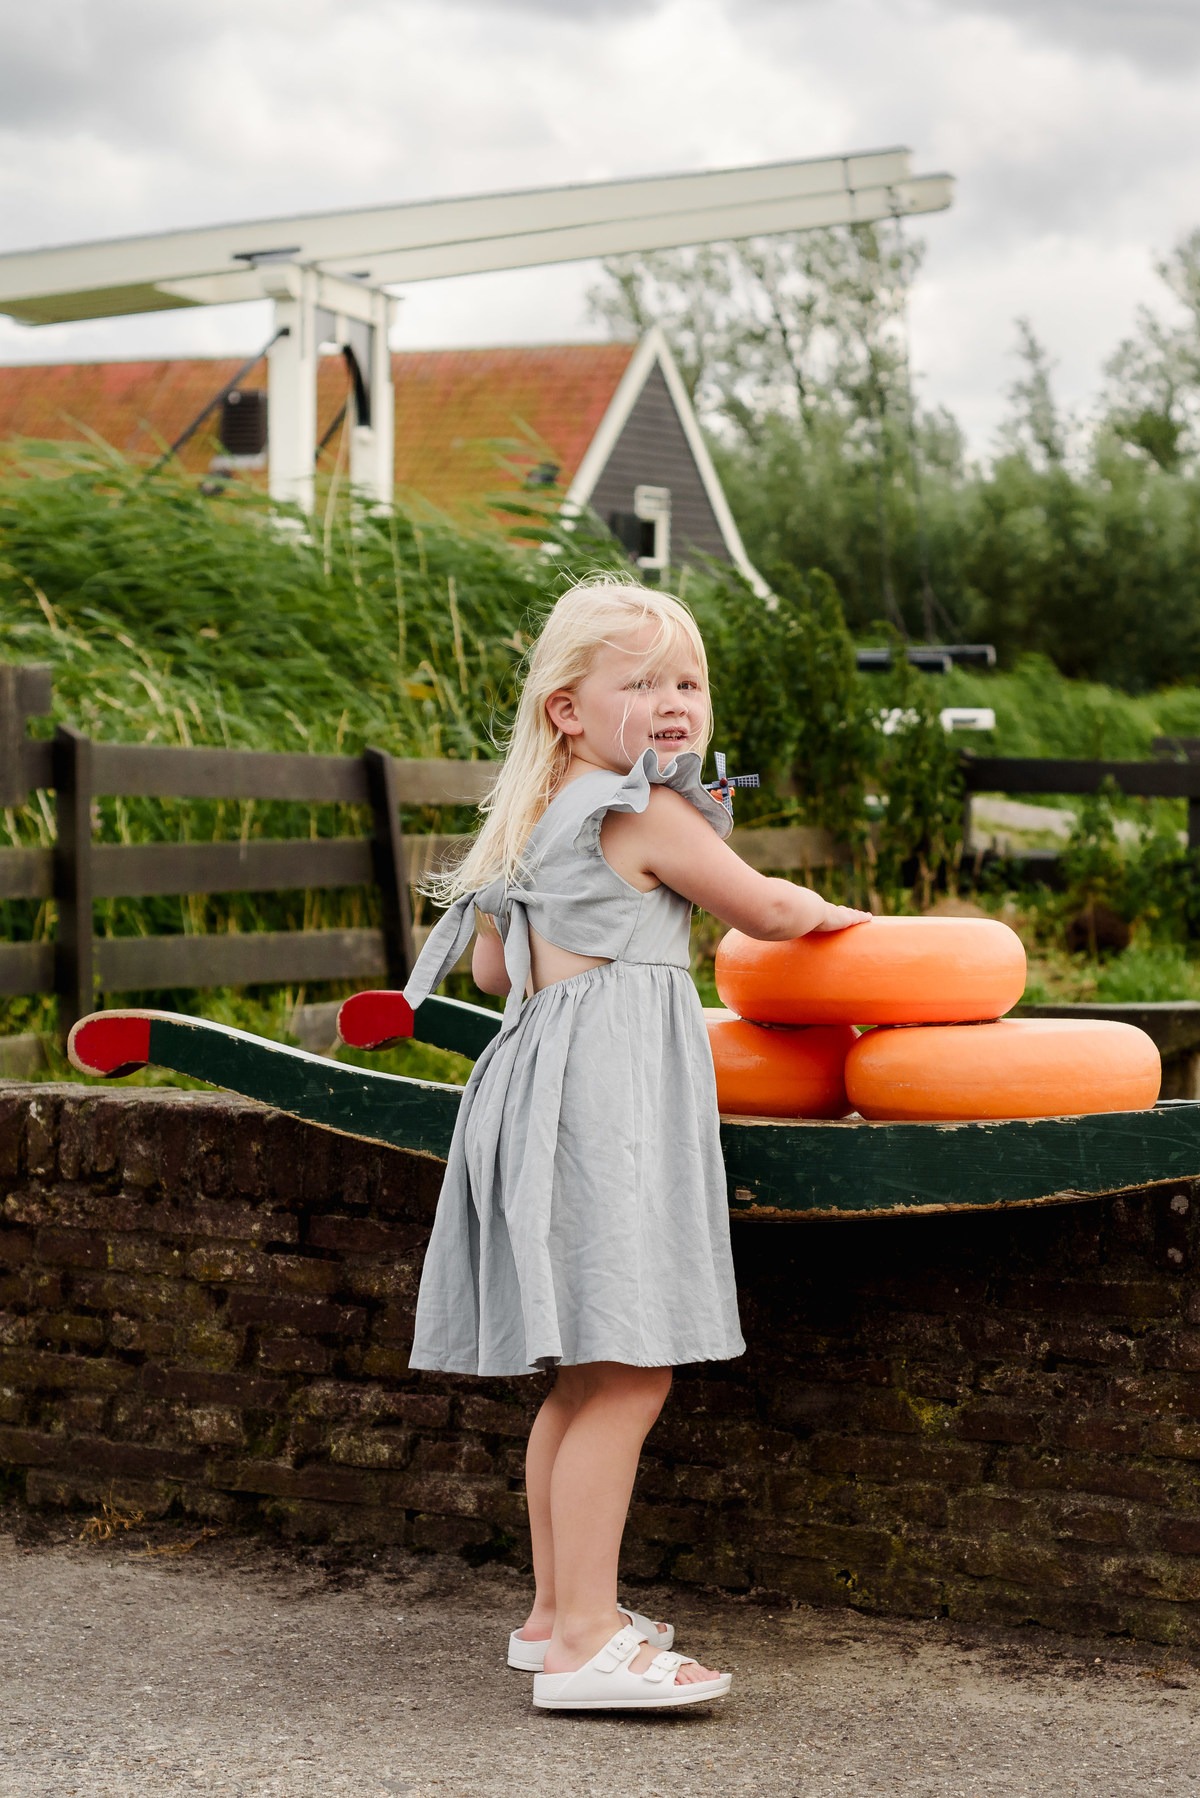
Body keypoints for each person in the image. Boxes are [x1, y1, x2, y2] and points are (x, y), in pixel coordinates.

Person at [398, 577, 870, 1711]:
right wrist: (846, 925)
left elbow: (495, 974)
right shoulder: (642, 810)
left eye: (689, 680)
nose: (674, 701)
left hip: (530, 1086)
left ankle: (556, 1613)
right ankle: (587, 1645)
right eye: (642, 681)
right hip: (604, 1105)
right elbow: (761, 910)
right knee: (632, 1369)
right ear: (568, 708)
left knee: (581, 1375)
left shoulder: (536, 811)